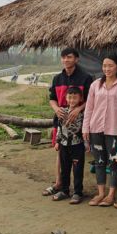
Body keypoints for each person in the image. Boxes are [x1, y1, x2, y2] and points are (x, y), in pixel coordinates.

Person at [82, 54, 117, 207]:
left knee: (114, 162)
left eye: (110, 65)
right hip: (96, 127)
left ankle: (111, 195)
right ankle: (101, 193)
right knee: (99, 161)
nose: (107, 69)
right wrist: (86, 127)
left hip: (115, 130)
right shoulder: (95, 85)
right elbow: (89, 108)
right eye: (104, 66)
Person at [43, 48, 93, 197]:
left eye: (69, 57)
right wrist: (56, 108)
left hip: (78, 123)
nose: (66, 60)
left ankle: (76, 189)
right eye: (63, 57)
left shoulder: (85, 78)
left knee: (77, 157)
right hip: (60, 121)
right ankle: (59, 184)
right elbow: (52, 98)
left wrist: (79, 109)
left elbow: (91, 99)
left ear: (76, 59)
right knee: (60, 151)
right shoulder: (57, 78)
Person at [52, 86, 86, 204]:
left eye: (75, 98)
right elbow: (60, 129)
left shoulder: (81, 113)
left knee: (77, 170)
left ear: (80, 99)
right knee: (64, 169)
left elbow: (77, 129)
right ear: (66, 98)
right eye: (69, 98)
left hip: (77, 145)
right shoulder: (62, 111)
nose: (72, 100)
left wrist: (68, 121)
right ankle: (64, 190)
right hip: (63, 145)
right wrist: (57, 141)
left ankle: (77, 192)